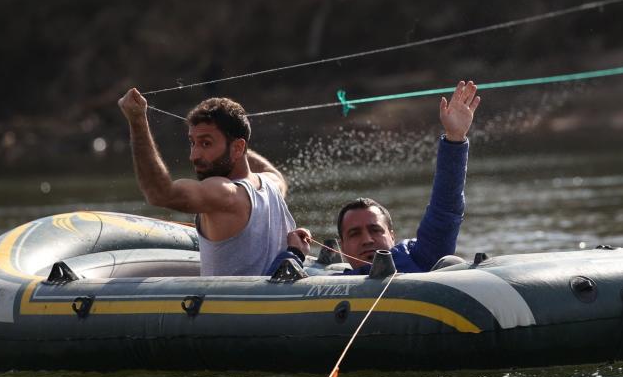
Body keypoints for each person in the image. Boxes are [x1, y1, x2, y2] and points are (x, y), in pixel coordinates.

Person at [271, 80, 480, 275]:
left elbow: (445, 210)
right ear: (342, 248)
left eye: (375, 230)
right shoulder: (334, 284)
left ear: (392, 236)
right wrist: (295, 254)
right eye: (354, 234)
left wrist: (455, 139)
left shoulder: (421, 258)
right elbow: (273, 292)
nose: (367, 240)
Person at [118, 88, 295, 276]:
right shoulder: (272, 184)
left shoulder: (225, 194)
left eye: (206, 143)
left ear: (237, 147)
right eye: (192, 142)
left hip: (226, 305)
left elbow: (159, 194)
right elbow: (273, 172)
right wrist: (234, 149)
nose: (193, 156)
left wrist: (137, 120)